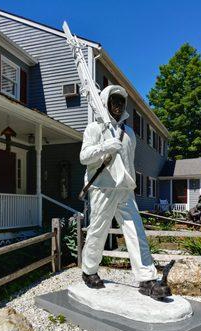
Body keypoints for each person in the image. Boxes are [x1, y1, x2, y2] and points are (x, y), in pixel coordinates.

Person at [79, 85, 171, 300]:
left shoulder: (129, 133)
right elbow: (84, 157)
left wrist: (131, 184)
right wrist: (104, 148)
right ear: (105, 102)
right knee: (97, 231)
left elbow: (128, 163)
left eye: (122, 101)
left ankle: (146, 278)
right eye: (114, 101)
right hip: (103, 187)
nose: (119, 105)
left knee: (136, 232)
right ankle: (89, 271)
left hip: (124, 188)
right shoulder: (94, 128)